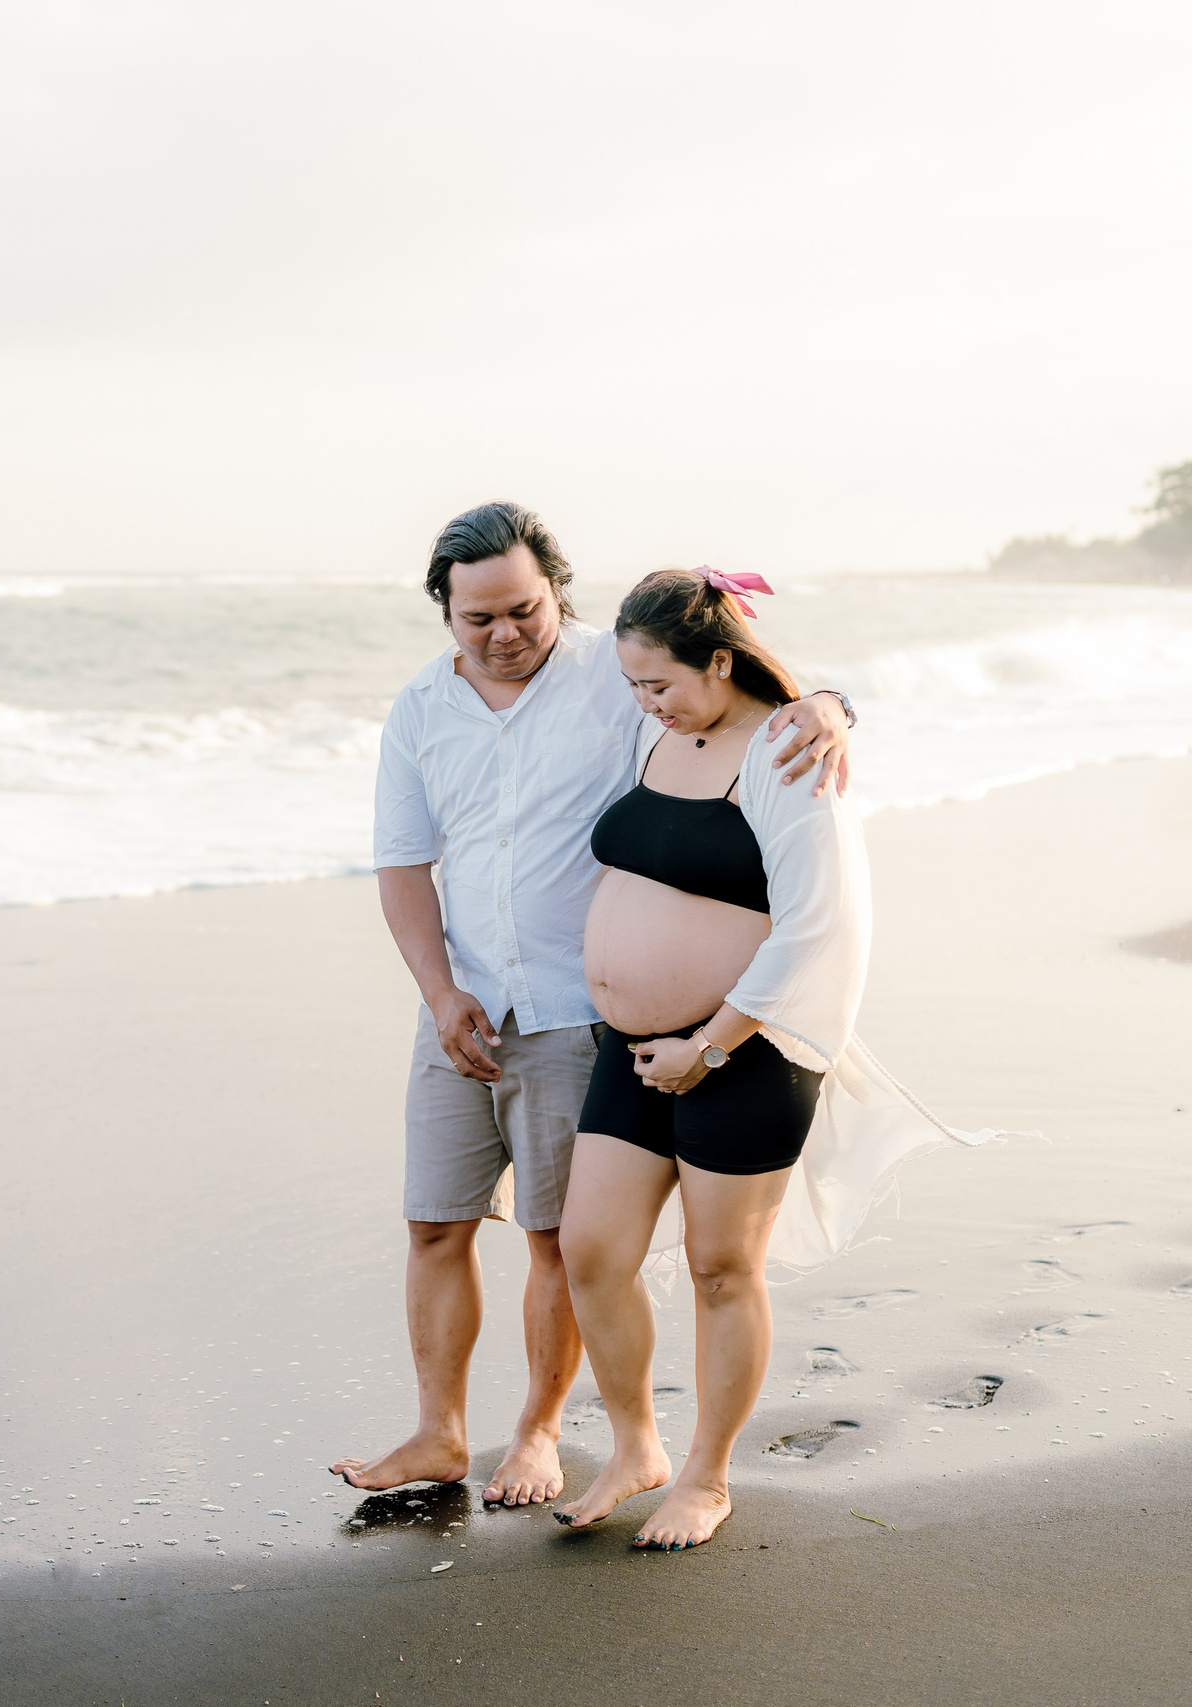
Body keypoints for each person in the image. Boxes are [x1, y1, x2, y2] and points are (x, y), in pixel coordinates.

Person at [328, 504, 856, 1507]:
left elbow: (730, 692)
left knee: (565, 1242)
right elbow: (402, 864)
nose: (503, 633)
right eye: (477, 617)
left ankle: (541, 1433)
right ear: (444, 610)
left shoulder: (616, 680)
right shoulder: (421, 707)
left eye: (522, 610)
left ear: (556, 594)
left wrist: (830, 702)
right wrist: (439, 992)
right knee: (436, 1225)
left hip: (580, 1016)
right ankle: (442, 1434)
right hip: (464, 1005)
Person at [549, 567, 993, 1549]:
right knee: (592, 1250)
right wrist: (832, 695)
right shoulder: (653, 731)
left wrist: (707, 1047)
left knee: (720, 1268)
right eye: (631, 684)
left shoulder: (787, 755)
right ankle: (635, 1448)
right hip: (633, 1048)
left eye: (659, 682)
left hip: (745, 1053)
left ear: (720, 660)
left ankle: (705, 1478)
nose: (643, 701)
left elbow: (812, 928)